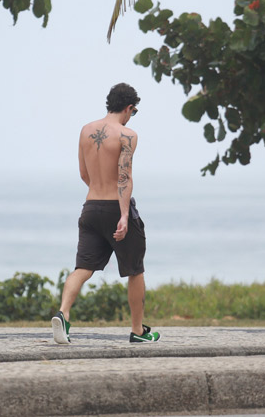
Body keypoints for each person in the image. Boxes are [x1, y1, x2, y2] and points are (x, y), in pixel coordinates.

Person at [51, 83, 160, 344]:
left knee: (83, 267)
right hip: (115, 206)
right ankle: (137, 331)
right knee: (135, 270)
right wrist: (123, 215)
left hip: (90, 207)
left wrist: (98, 195)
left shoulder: (85, 130)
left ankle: (63, 313)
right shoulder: (127, 135)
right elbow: (124, 177)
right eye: (134, 111)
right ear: (129, 108)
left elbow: (83, 173)